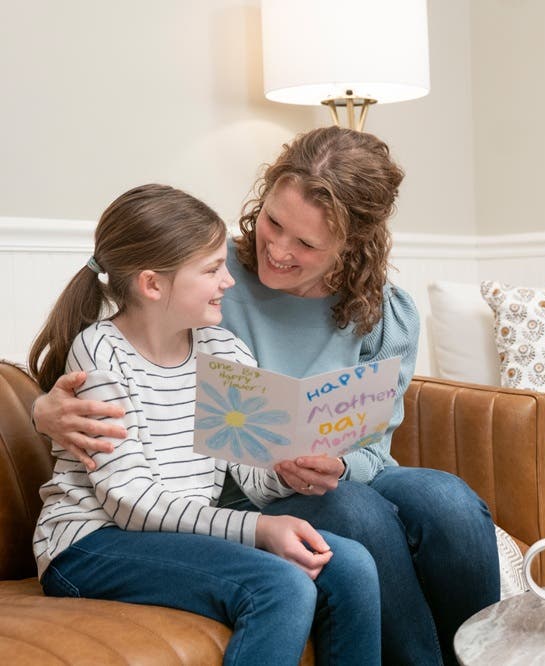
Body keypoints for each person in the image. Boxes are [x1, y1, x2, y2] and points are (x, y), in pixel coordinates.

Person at [31, 127, 500, 666]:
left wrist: (305, 465)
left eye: (305, 244)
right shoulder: (196, 273)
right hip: (162, 514)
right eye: (274, 224)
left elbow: (274, 452)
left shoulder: (239, 333)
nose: (276, 250)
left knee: (450, 503)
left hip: (308, 478)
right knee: (350, 521)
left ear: (351, 245)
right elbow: (111, 325)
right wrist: (42, 410)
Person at [27, 184, 380, 665]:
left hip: (180, 537)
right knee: (279, 585)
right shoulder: (102, 353)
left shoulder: (224, 351)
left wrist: (286, 467)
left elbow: (252, 478)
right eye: (212, 269)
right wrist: (258, 529)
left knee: (353, 566)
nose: (229, 281)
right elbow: (129, 503)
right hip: (91, 543)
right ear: (153, 285)